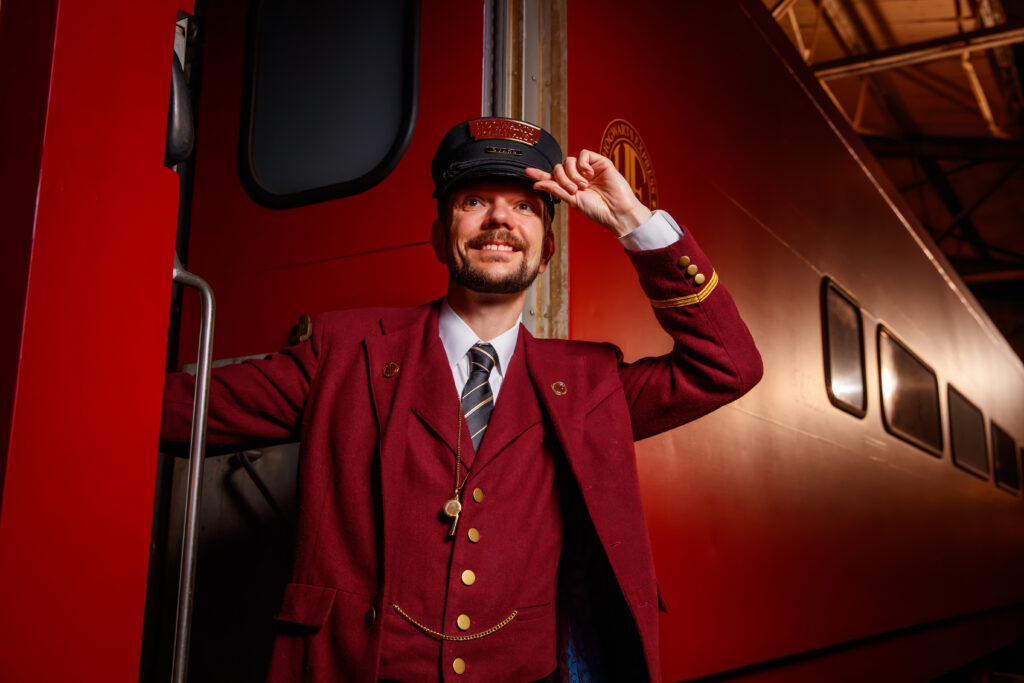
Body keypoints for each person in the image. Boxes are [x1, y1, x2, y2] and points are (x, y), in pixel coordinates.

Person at [161, 117, 762, 683]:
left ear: (546, 249)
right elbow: (172, 409)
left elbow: (728, 367)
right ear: (439, 236)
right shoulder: (343, 353)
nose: (499, 220)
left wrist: (635, 220)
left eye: (524, 207)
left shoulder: (589, 383)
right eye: (474, 201)